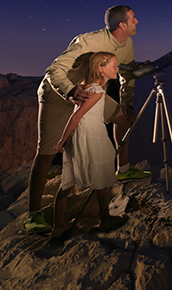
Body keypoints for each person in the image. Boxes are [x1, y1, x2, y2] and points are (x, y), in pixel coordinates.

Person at [23, 5, 151, 234]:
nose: (137, 22)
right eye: (133, 19)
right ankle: (33, 215)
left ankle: (123, 169)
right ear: (122, 25)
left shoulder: (127, 45)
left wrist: (126, 102)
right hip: (58, 97)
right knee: (46, 152)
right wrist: (70, 92)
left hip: (90, 95)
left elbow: (127, 75)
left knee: (123, 118)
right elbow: (53, 70)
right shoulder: (87, 41)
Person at [52, 52, 128, 238]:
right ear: (101, 69)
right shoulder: (98, 91)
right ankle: (105, 220)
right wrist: (61, 141)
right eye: (114, 65)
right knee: (100, 178)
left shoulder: (86, 87)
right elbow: (77, 116)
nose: (117, 69)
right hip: (91, 135)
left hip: (83, 134)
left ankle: (59, 225)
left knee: (68, 183)